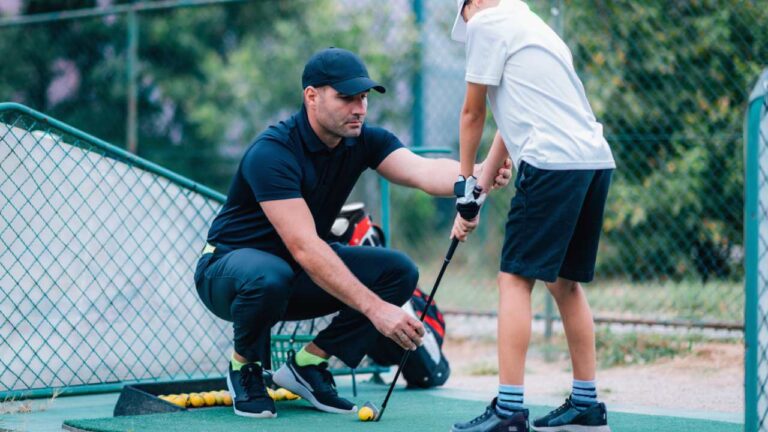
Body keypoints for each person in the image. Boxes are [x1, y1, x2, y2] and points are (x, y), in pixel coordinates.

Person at [194, 47, 512, 419]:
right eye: (346, 97)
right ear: (311, 97)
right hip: (227, 273)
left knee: (398, 271)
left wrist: (474, 173)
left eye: (363, 97)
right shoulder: (272, 153)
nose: (359, 107)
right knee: (270, 275)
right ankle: (243, 368)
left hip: (292, 274)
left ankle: (308, 365)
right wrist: (377, 311)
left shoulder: (363, 140)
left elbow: (423, 172)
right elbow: (305, 247)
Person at [447, 1, 616, 431]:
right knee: (563, 282)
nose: (467, 25)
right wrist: (479, 190)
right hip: (593, 162)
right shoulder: (531, 24)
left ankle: (509, 411)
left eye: (462, 15)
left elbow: (473, 113)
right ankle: (586, 404)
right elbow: (509, 118)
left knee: (514, 280)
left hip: (552, 163)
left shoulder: (486, 22)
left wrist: (462, 185)